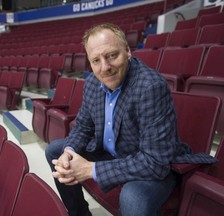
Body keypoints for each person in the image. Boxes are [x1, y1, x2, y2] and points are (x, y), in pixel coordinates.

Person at [45, 23, 215, 216]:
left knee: (133, 197)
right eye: (96, 60)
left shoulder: (150, 87)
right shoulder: (92, 82)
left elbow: (155, 161)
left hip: (151, 163)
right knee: (56, 151)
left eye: (111, 55)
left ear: (127, 51)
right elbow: (83, 126)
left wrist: (90, 169)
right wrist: (69, 152)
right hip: (113, 152)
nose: (105, 67)